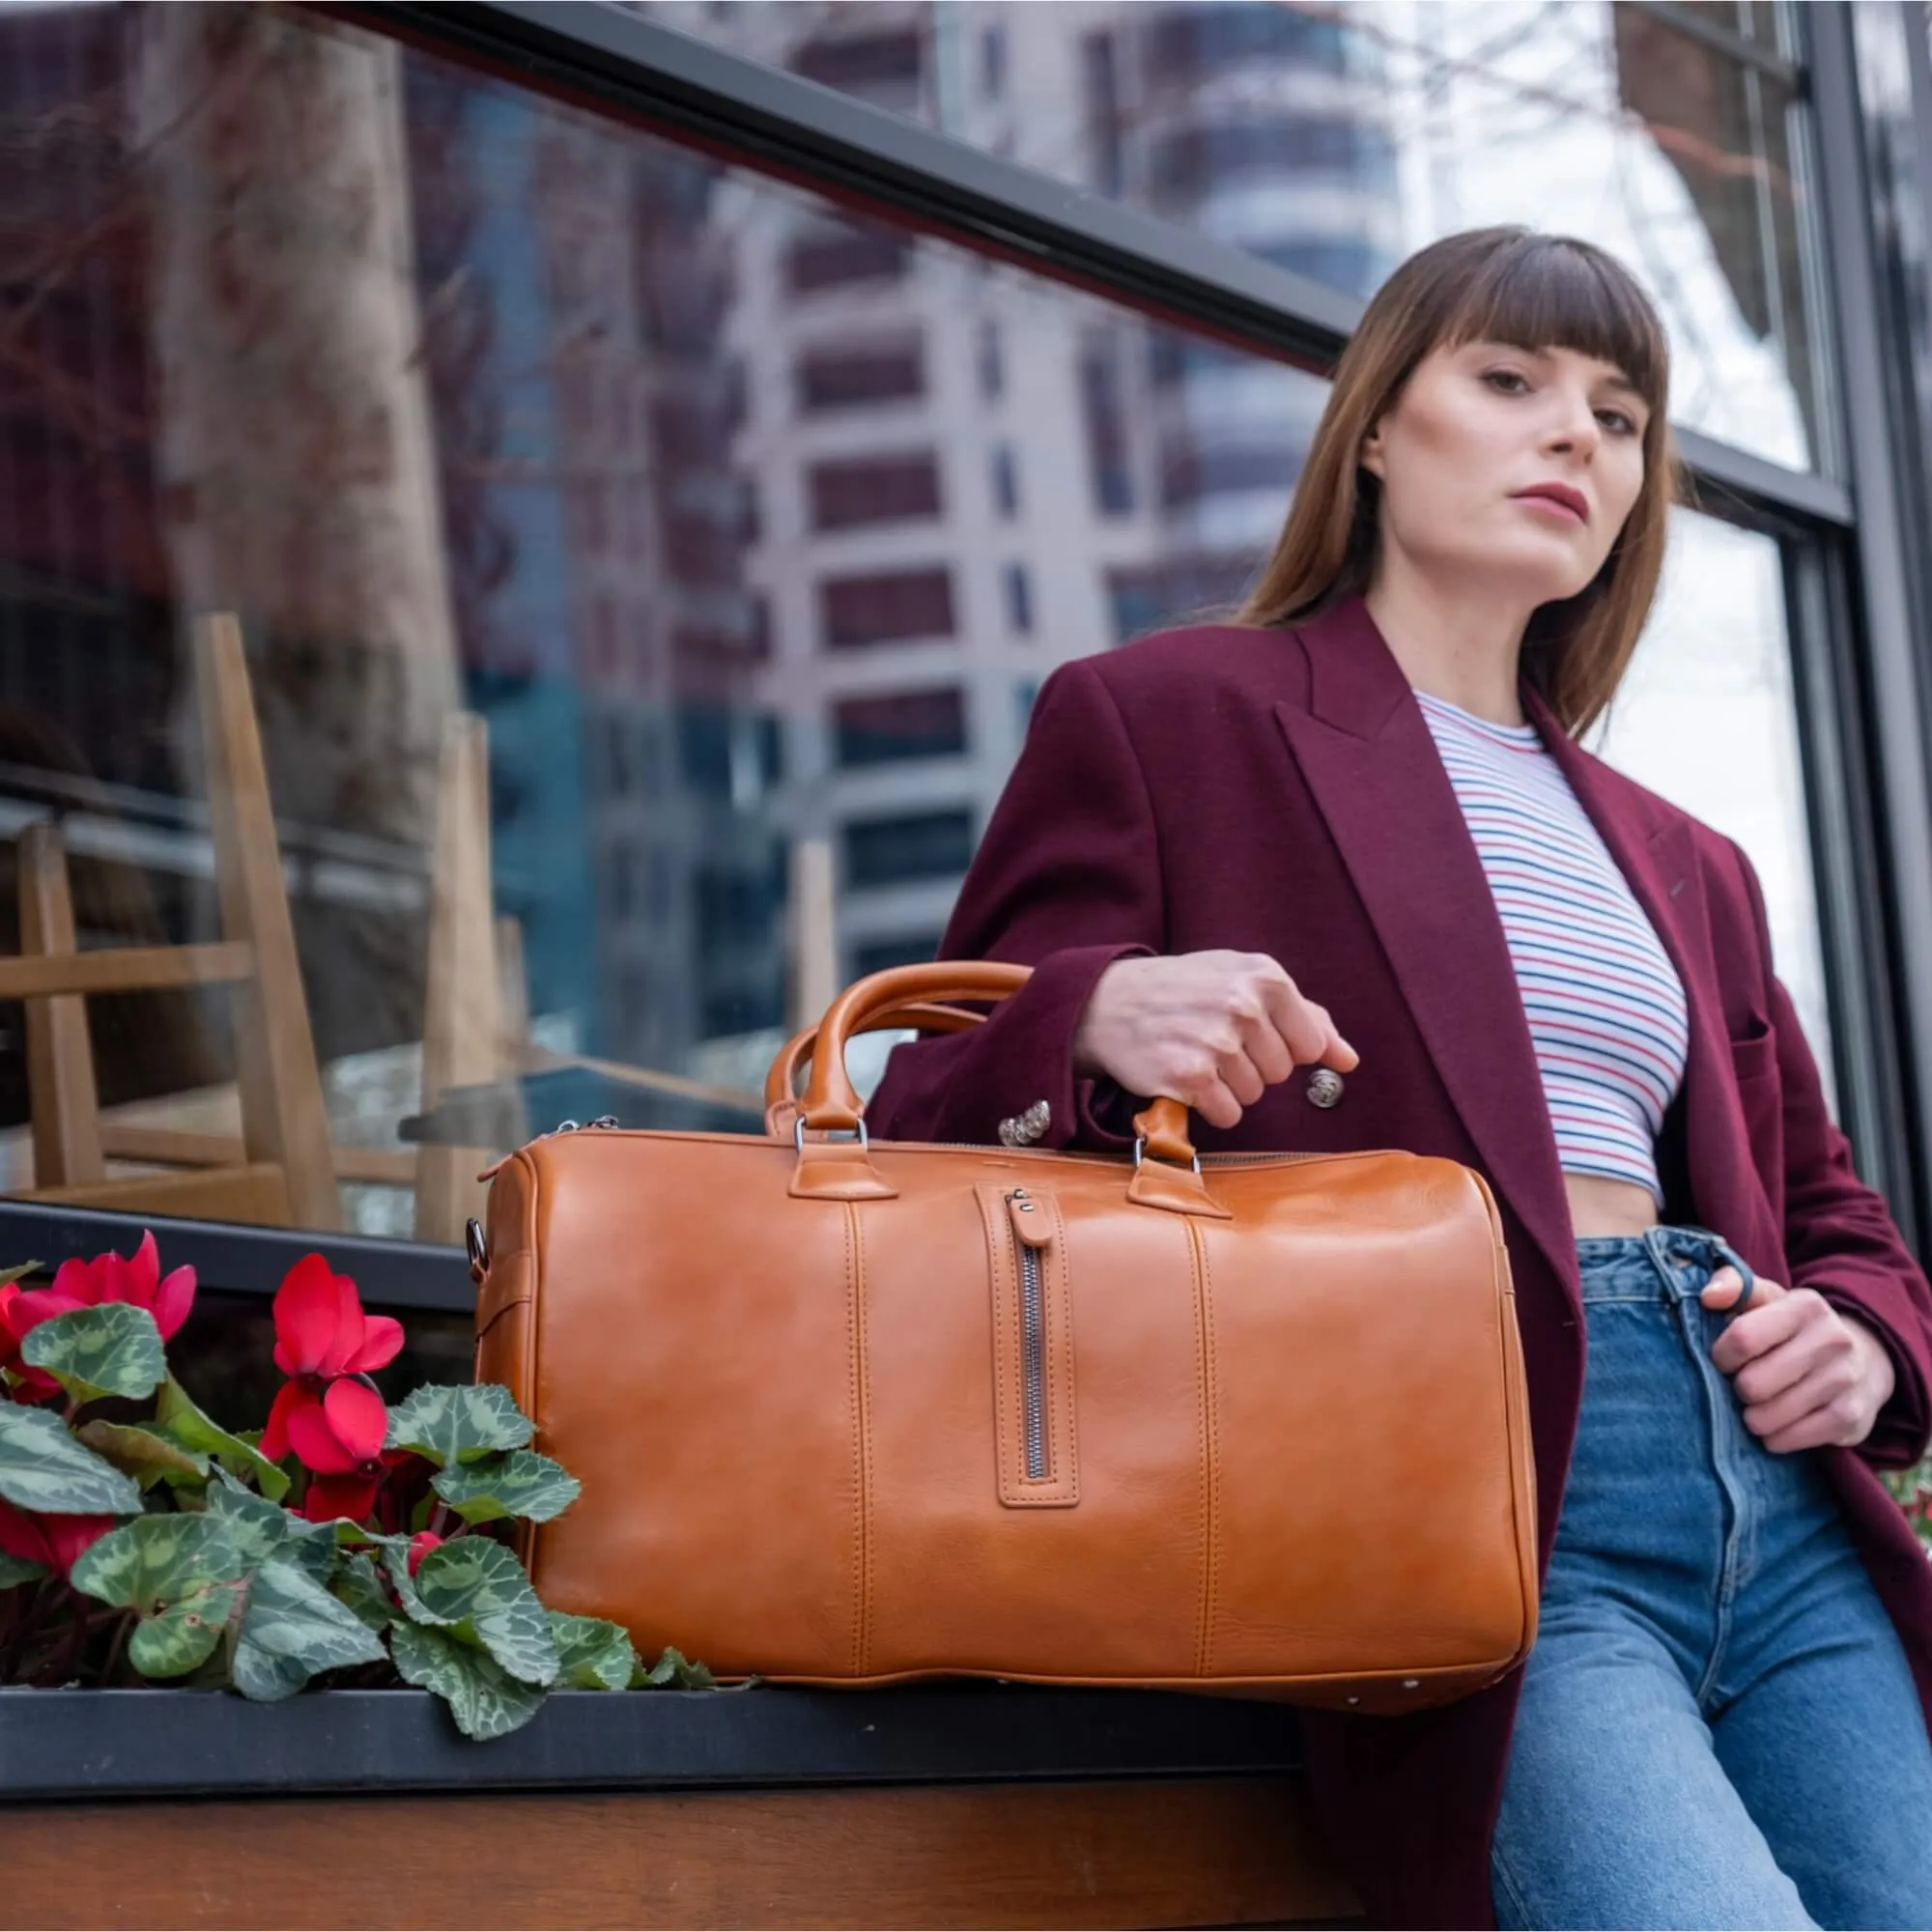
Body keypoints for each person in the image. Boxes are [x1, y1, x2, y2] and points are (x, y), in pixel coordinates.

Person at [866, 226, 1932, 1930]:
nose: (1575, 438)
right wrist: (1086, 1017)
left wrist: (1865, 1341)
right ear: (1374, 428)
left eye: (1619, 415)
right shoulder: (1172, 719)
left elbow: (1828, 1206)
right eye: (1508, 383)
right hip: (1485, 1503)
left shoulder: (1688, 858)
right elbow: (914, 1110)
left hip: (1781, 1509)